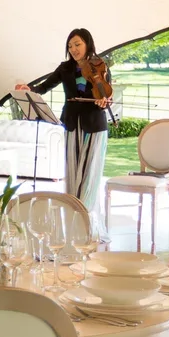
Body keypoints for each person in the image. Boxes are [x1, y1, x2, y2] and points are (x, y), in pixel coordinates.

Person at [14, 28, 112, 212]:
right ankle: (74, 215)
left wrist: (102, 102)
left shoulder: (100, 66)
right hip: (73, 124)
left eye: (77, 44)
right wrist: (29, 89)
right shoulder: (65, 68)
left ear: (87, 44)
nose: (73, 49)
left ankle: (88, 220)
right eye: (70, 46)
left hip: (94, 126)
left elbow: (106, 96)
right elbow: (45, 86)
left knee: (90, 176)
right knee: (73, 174)